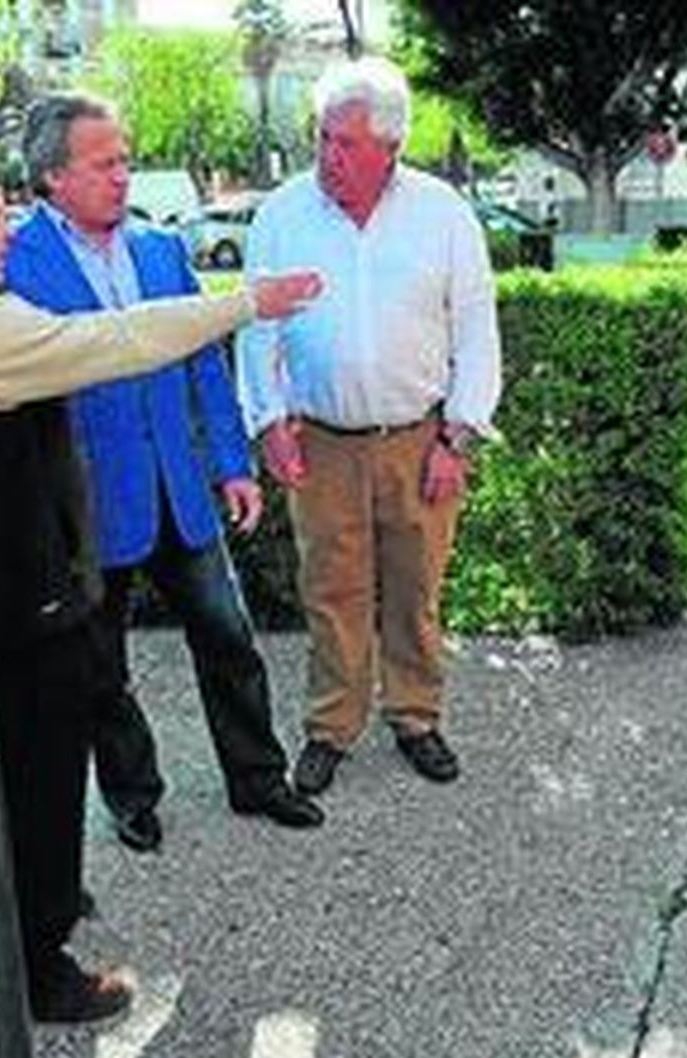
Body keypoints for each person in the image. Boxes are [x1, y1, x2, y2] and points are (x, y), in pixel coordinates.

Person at [0, 154, 319, 1023]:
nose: (9, 227)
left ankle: (18, 923)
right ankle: (41, 964)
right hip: (18, 595)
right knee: (39, 776)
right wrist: (249, 302)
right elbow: (116, 341)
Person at [5, 94, 322, 854]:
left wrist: (232, 465)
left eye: (124, 159)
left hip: (180, 491)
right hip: (87, 505)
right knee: (101, 669)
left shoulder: (159, 248)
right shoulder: (14, 264)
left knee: (229, 640)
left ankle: (257, 777)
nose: (123, 175)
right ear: (52, 177)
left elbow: (203, 365)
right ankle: (132, 795)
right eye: (103, 163)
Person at [237, 57, 503, 797]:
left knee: (416, 589)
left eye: (346, 143)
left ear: (390, 147)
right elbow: (256, 331)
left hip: (420, 440)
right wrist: (268, 422)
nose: (329, 156)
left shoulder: (443, 213)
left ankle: (416, 716)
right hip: (319, 442)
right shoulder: (282, 214)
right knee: (331, 591)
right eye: (323, 138)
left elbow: (477, 330)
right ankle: (331, 726)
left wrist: (459, 435)